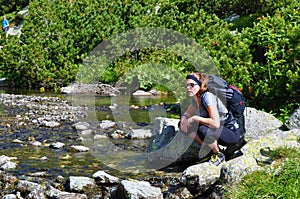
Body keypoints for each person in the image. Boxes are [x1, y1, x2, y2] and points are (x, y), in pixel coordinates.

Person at [179, 72, 241, 166]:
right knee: (183, 124)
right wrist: (184, 120)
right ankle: (209, 150)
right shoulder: (196, 98)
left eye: (192, 85)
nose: (188, 88)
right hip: (218, 130)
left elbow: (215, 123)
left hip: (230, 132)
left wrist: (195, 118)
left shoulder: (207, 97)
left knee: (202, 129)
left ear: (200, 84)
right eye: (186, 85)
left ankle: (218, 154)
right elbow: (187, 114)